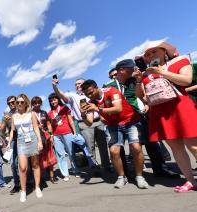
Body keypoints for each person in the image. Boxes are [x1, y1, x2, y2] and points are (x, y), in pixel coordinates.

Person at [134, 40, 197, 192]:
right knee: (176, 148)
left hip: (180, 106)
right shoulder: (146, 73)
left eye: (154, 51)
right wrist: (138, 81)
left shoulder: (180, 61)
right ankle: (190, 181)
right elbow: (140, 95)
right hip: (160, 111)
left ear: (164, 51)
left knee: (194, 145)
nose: (150, 56)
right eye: (147, 54)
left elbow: (187, 80)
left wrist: (161, 72)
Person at [106, 59, 178, 178]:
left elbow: (144, 95)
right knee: (119, 146)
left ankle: (160, 169)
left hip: (138, 115)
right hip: (119, 120)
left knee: (151, 142)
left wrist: (146, 104)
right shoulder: (109, 86)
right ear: (122, 70)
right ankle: (125, 174)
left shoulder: (135, 80)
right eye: (131, 68)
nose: (135, 70)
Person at [81, 80, 150, 189]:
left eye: (91, 92)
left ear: (96, 87)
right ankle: (121, 177)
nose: (89, 95)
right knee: (114, 151)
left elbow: (118, 108)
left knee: (136, 148)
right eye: (86, 94)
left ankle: (139, 177)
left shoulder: (111, 91)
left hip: (130, 120)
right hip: (113, 125)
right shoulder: (92, 101)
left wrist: (98, 109)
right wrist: (83, 115)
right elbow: (89, 122)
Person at [52, 78, 110, 171]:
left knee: (102, 145)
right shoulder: (73, 96)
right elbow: (61, 95)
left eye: (79, 83)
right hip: (84, 123)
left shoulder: (92, 93)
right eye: (76, 84)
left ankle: (107, 166)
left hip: (98, 121)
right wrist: (55, 86)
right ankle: (94, 167)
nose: (77, 85)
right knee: (90, 147)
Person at [47, 93, 96, 180]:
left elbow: (70, 120)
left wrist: (74, 131)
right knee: (60, 154)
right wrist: (51, 132)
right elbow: (49, 125)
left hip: (67, 132)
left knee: (71, 153)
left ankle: (76, 170)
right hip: (56, 135)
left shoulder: (64, 108)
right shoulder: (50, 113)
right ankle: (65, 174)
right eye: (51, 101)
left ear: (58, 100)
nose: (53, 102)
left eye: (54, 99)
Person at [7, 94, 43, 202]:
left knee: (35, 165)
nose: (19, 104)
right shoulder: (14, 116)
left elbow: (36, 128)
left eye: (21, 102)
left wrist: (40, 141)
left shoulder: (31, 114)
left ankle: (37, 187)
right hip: (21, 141)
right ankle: (23, 191)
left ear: (26, 103)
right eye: (17, 102)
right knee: (22, 167)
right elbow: (12, 130)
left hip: (32, 137)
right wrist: (9, 142)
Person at [31, 96, 57, 183]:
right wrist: (36, 126)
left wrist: (51, 134)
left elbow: (49, 124)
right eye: (35, 103)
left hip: (46, 136)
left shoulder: (44, 112)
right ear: (32, 104)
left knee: (49, 156)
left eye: (39, 102)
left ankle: (52, 176)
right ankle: (41, 179)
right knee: (39, 158)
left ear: (41, 103)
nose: (37, 104)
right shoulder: (31, 114)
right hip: (36, 138)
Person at [1, 95, 21, 194]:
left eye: (13, 102)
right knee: (14, 164)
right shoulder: (6, 115)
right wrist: (5, 122)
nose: (11, 104)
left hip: (24, 138)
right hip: (13, 140)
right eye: (9, 103)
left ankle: (30, 181)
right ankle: (17, 184)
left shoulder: (22, 110)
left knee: (28, 161)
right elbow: (2, 131)